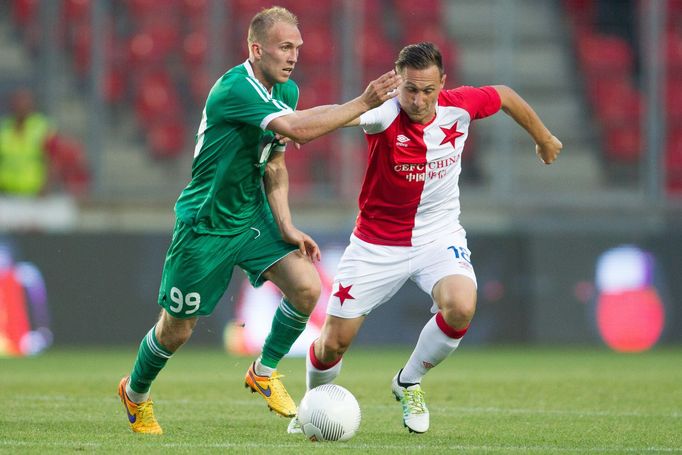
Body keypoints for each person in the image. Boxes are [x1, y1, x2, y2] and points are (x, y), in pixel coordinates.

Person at [116, 6, 401, 435]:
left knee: (307, 288)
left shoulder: (286, 92)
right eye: (285, 47)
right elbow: (299, 131)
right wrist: (362, 103)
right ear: (256, 48)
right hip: (206, 224)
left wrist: (285, 225)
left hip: (251, 216)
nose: (293, 57)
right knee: (177, 329)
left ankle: (263, 371)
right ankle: (135, 394)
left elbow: (275, 161)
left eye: (298, 49)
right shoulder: (235, 89)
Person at [290, 42, 562, 434]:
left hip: (438, 235)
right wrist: (290, 123)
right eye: (410, 89)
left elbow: (504, 95)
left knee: (461, 306)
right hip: (376, 243)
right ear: (398, 83)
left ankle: (408, 381)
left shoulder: (461, 106)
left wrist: (544, 137)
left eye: (427, 90)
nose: (418, 100)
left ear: (443, 84)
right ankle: (312, 406)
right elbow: (332, 115)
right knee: (333, 342)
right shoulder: (383, 113)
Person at [0, 88, 55, 196]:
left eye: (24, 102)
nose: (20, 107)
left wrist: (46, 187)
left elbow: (52, 160)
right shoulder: (3, 128)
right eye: (17, 102)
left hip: (33, 193)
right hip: (5, 191)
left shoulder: (42, 128)